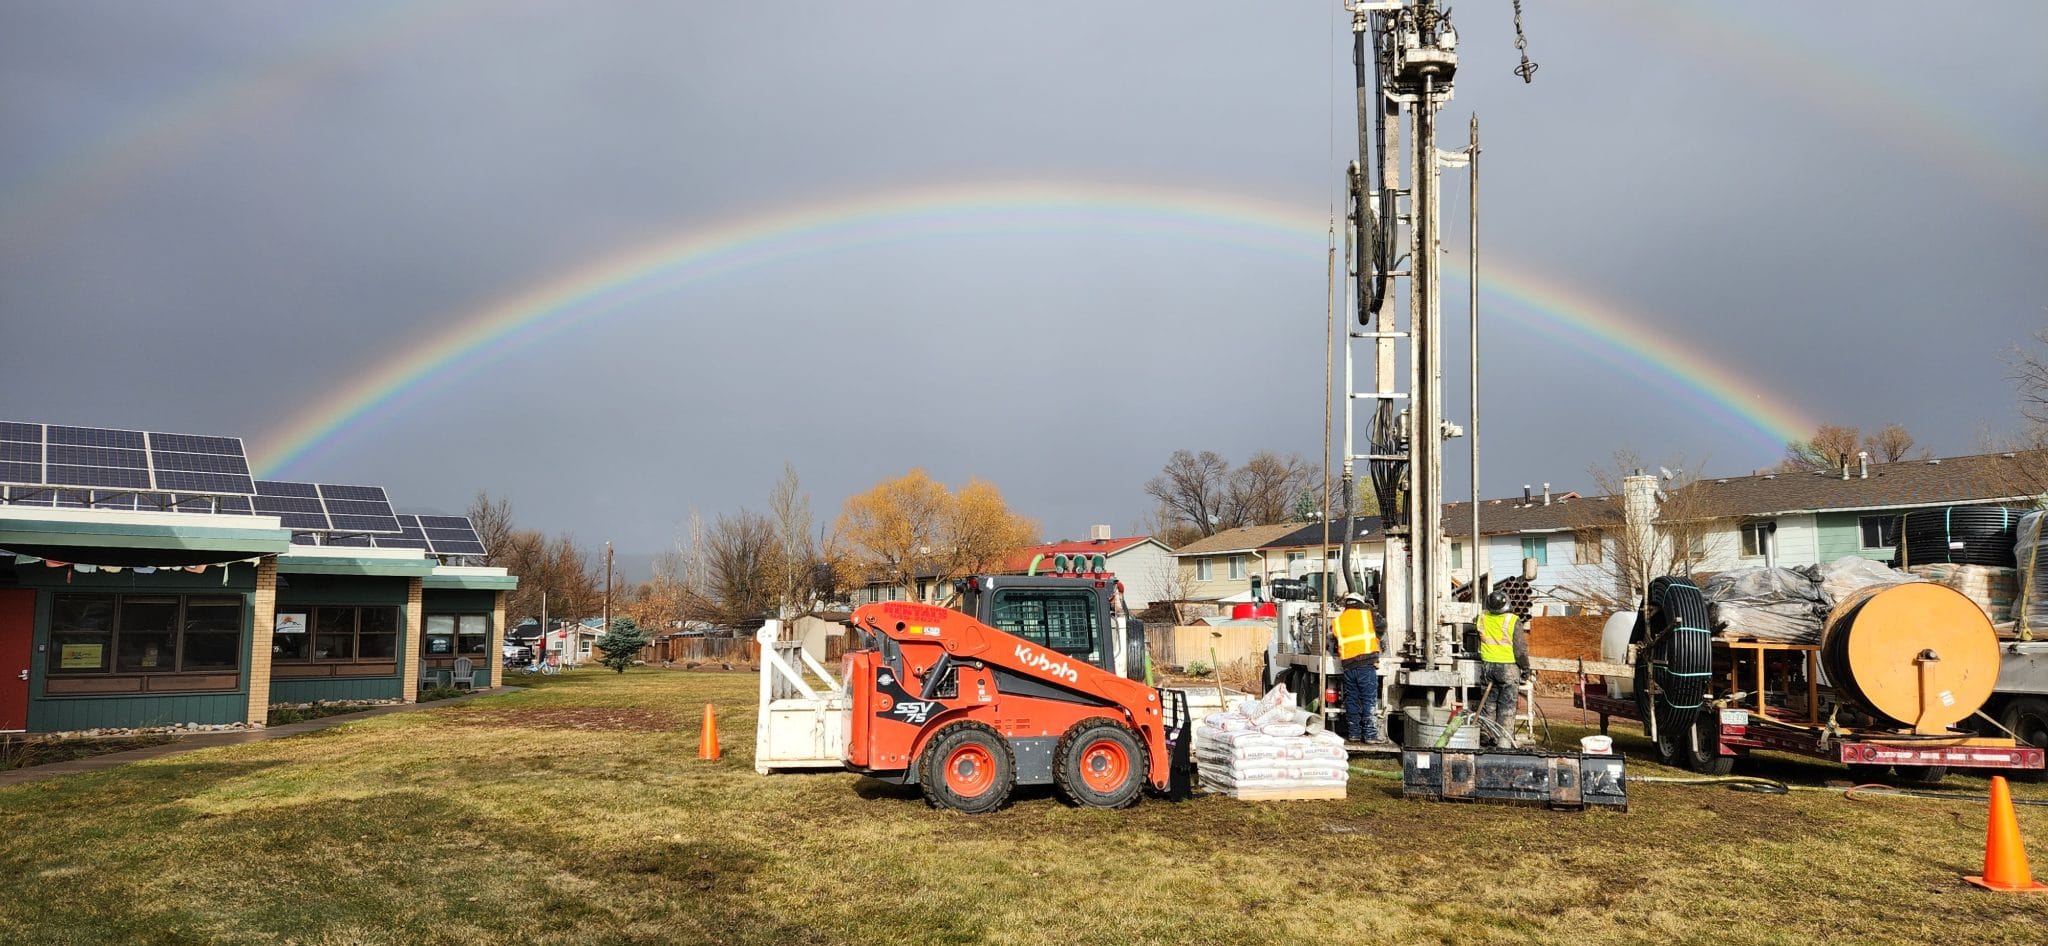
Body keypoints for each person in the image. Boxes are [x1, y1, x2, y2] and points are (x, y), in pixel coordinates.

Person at [1476, 589, 1530, 746]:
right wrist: (1525, 668)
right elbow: (1520, 649)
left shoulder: (1482, 617)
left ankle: (1486, 736)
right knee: (1507, 705)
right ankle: (1504, 741)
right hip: (1507, 667)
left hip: (1487, 666)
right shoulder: (1512, 620)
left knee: (1488, 704)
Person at [1330, 593, 1381, 744]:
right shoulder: (1369, 615)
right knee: (1368, 700)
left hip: (1348, 667)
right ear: (1360, 603)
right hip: (1366, 664)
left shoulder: (1337, 621)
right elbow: (1382, 625)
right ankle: (1370, 735)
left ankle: (1354, 734)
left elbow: (1335, 638)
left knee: (1351, 699)